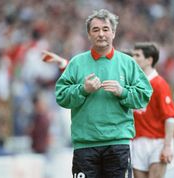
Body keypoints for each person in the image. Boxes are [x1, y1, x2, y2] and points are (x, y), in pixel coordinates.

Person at [55, 9, 152, 178]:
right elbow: (61, 96)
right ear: (89, 35)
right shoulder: (77, 63)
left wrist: (123, 92)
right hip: (85, 145)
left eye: (105, 29)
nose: (101, 34)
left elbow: (144, 95)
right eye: (96, 30)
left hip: (118, 144)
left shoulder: (127, 63)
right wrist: (83, 89)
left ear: (113, 33)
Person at [131, 42, 174, 178]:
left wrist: (167, 146)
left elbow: (169, 117)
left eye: (137, 55)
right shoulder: (134, 83)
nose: (133, 58)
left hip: (157, 141)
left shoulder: (159, 84)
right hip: (137, 142)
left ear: (149, 60)